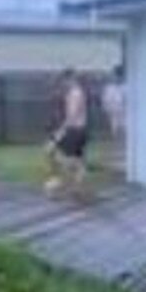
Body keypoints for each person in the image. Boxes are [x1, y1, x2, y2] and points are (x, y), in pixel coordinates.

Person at [45, 68, 89, 196]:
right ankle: (76, 187)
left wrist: (61, 131)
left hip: (75, 130)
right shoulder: (72, 93)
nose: (63, 83)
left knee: (51, 151)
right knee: (75, 160)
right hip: (77, 130)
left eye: (65, 80)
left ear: (70, 79)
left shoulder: (76, 93)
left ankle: (58, 184)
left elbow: (73, 115)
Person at [102, 63, 126, 140]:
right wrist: (108, 109)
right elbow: (106, 101)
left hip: (125, 112)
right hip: (114, 111)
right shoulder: (109, 88)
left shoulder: (127, 86)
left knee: (124, 126)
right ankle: (117, 139)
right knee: (115, 126)